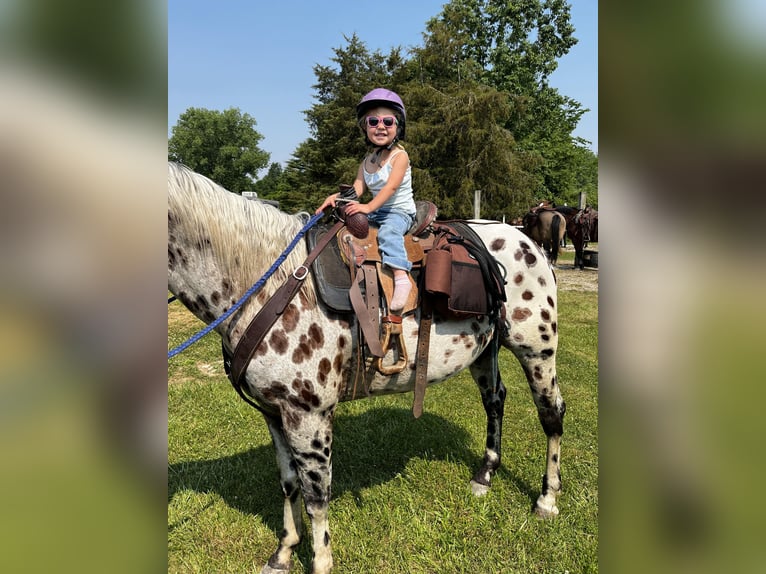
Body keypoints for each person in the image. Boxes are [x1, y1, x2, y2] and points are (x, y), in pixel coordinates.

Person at [316, 88, 416, 311]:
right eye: (373, 121)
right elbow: (357, 188)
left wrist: (368, 207)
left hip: (399, 212)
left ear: (398, 128)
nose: (381, 126)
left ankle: (401, 278)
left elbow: (390, 187)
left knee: (388, 233)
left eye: (388, 122)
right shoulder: (367, 161)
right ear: (365, 127)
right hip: (376, 211)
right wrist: (337, 198)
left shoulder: (400, 156)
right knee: (347, 232)